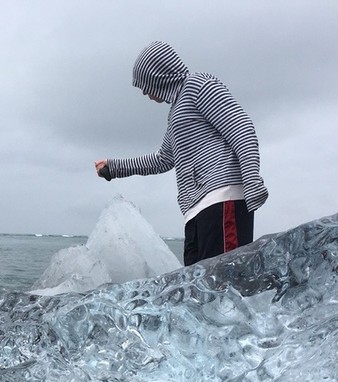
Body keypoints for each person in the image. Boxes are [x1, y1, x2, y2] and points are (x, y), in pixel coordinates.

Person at [95, 41, 268, 266]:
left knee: (225, 283)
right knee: (200, 292)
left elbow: (240, 127)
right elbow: (163, 159)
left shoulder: (199, 85)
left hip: (222, 197)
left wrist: (251, 178)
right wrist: (115, 167)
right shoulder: (176, 110)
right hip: (196, 210)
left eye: (146, 84)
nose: (146, 92)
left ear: (159, 75)